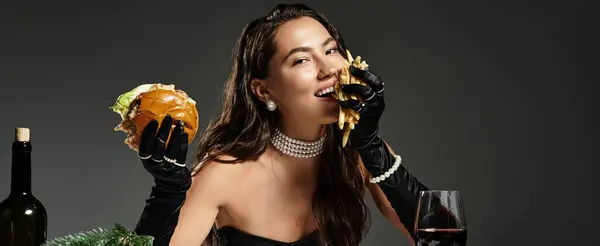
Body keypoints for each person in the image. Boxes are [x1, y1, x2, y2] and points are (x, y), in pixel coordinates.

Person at [132, 3, 429, 246]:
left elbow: (442, 237)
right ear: (264, 91)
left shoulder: (358, 153)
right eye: (302, 60)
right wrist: (168, 193)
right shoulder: (223, 174)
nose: (329, 70)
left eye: (331, 50)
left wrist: (370, 145)